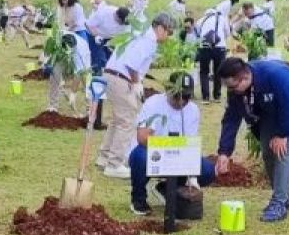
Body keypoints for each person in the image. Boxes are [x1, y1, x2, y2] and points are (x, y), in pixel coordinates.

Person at [215, 57, 289, 223]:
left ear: (244, 78)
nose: (231, 91)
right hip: (271, 112)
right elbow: (231, 119)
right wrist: (224, 152)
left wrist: (283, 134)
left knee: (283, 152)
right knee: (268, 153)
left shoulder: (274, 75)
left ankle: (279, 202)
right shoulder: (237, 90)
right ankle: (284, 196)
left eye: (233, 87)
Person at [127, 72, 216, 215]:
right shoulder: (153, 104)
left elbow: (189, 144)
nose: (181, 102)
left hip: (178, 154)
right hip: (152, 152)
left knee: (207, 170)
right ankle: (138, 199)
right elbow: (142, 138)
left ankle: (166, 188)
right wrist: (169, 146)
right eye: (177, 96)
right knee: (139, 158)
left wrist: (192, 177)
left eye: (186, 97)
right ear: (168, 91)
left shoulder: (193, 110)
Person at [98, 13, 174, 178]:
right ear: (160, 27)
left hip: (111, 74)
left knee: (118, 120)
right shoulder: (149, 41)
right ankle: (114, 163)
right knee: (127, 121)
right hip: (122, 78)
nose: (167, 37)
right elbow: (132, 64)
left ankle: (104, 157)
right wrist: (136, 83)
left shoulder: (137, 34)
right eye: (168, 32)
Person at [44, 32, 92, 115]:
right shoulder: (58, 37)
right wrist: (47, 62)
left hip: (83, 59)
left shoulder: (80, 52)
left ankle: (89, 107)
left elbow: (78, 74)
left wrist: (72, 94)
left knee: (86, 81)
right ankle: (53, 106)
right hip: (60, 53)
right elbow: (49, 49)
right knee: (55, 73)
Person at [194, 3, 232, 103]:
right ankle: (217, 96)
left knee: (204, 72)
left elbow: (198, 34)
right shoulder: (222, 18)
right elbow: (228, 33)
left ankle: (205, 97)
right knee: (218, 71)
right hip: (220, 47)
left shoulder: (200, 20)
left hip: (204, 47)